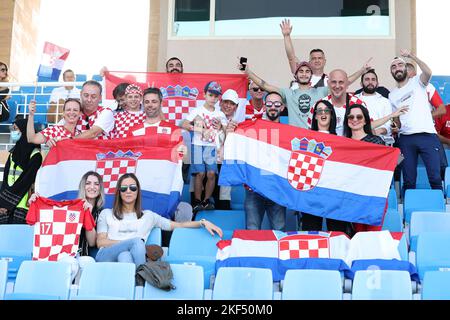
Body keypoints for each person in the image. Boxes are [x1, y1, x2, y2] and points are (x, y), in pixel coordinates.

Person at [95, 173, 222, 266]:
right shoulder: (106, 213)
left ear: (138, 191)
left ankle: (132, 291)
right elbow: (100, 242)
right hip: (106, 255)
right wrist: (129, 244)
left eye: (132, 188)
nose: (128, 191)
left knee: (125, 256)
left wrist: (202, 222)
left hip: (130, 257)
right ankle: (142, 277)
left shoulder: (149, 216)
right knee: (138, 242)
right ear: (119, 192)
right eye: (124, 188)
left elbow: (178, 225)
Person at [389, 50, 443, 194]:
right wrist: (395, 126)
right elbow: (397, 121)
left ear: (406, 68)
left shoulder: (417, 82)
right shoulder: (392, 95)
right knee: (409, 180)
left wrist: (411, 56)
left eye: (400, 65)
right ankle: (408, 214)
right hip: (406, 139)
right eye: (393, 67)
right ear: (391, 72)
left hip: (427, 136)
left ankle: (439, 211)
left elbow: (428, 72)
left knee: (435, 178)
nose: (397, 68)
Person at [301, 100, 352, 235]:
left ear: (331, 115)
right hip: (311, 193)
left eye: (326, 111)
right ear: (315, 116)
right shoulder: (306, 139)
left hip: (334, 192)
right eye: (319, 111)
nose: (323, 114)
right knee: (310, 234)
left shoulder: (341, 141)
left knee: (337, 234)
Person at [243, 92, 287, 231]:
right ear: (264, 106)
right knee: (252, 231)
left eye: (277, 104)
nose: (273, 107)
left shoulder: (289, 132)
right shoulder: (252, 127)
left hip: (277, 189)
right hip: (254, 189)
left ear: (282, 107)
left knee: (278, 232)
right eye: (269, 104)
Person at [180, 81, 227, 212]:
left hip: (212, 146)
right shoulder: (197, 110)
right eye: (210, 95)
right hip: (197, 145)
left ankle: (206, 200)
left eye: (216, 96)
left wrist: (222, 128)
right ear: (204, 94)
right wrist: (198, 129)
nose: (213, 98)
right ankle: (197, 201)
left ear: (219, 98)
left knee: (211, 173)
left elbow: (227, 131)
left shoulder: (220, 114)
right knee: (200, 173)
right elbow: (183, 124)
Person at [242, 60, 327, 129]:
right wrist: (248, 72)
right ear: (296, 75)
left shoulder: (321, 91)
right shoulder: (288, 94)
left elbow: (338, 87)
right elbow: (265, 85)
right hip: (296, 141)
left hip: (315, 139)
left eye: (307, 71)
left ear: (311, 75)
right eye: (301, 71)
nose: (304, 74)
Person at [343, 104, 385, 233]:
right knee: (356, 238)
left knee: (372, 237)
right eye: (351, 117)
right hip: (352, 198)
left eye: (359, 116)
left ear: (365, 120)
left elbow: (384, 169)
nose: (354, 119)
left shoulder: (376, 141)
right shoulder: (342, 144)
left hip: (373, 197)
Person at [0, 117, 42, 224]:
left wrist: (6, 202)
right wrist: (1, 203)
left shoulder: (35, 155)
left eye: (16, 129)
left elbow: (25, 181)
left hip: (23, 207)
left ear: (24, 130)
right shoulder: (12, 154)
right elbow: (5, 180)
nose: (14, 132)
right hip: (6, 207)